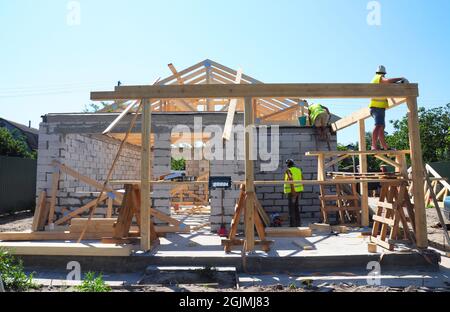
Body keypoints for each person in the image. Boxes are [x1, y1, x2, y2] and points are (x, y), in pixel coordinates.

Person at [370, 65, 406, 150]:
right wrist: (400, 78)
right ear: (383, 73)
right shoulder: (378, 77)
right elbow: (388, 81)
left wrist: (399, 83)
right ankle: (374, 146)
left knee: (381, 128)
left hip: (379, 108)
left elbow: (388, 83)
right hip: (377, 107)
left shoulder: (379, 82)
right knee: (378, 125)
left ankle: (385, 147)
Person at [284, 159, 304, 227]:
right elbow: (302, 179)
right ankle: (298, 224)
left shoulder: (289, 171)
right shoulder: (298, 170)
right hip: (298, 191)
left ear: (288, 165)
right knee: (296, 207)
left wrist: (293, 192)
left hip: (292, 192)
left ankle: (293, 225)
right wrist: (299, 191)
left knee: (291, 208)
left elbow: (291, 180)